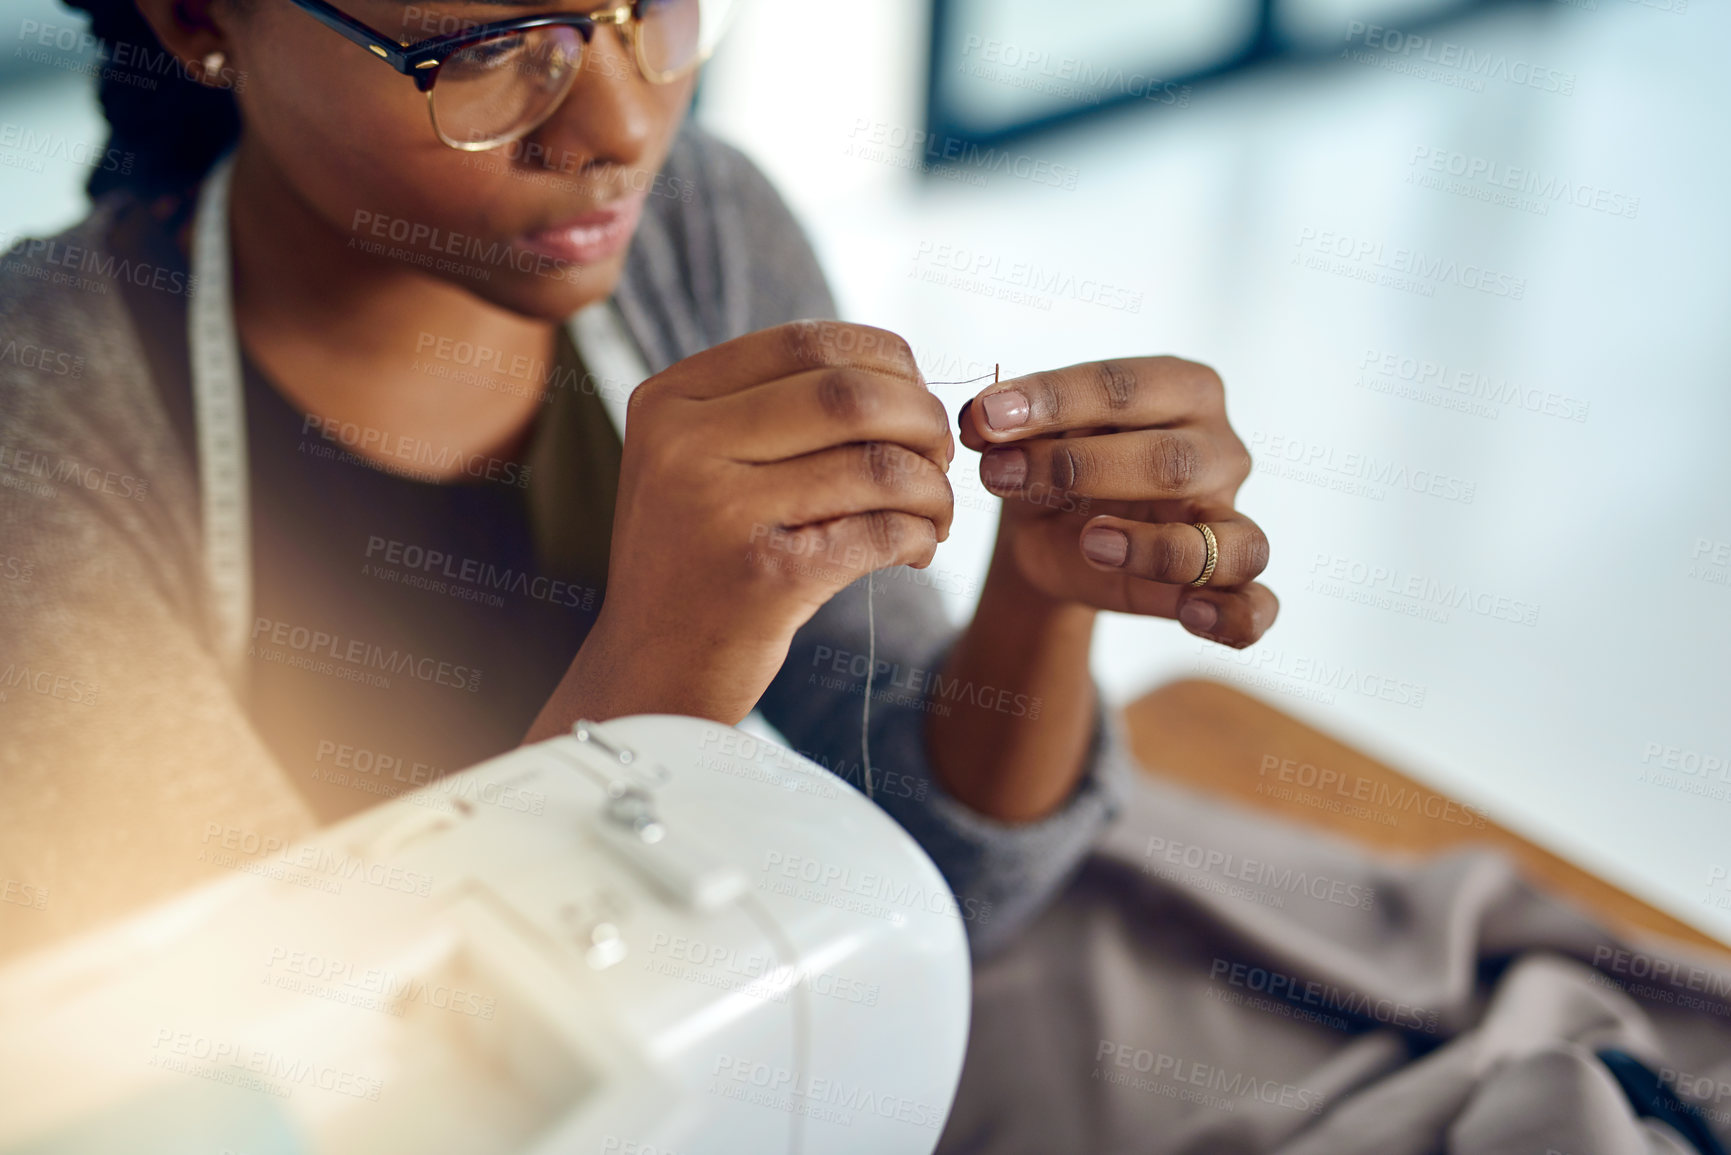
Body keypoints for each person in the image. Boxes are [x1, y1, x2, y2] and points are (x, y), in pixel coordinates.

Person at [0, 0, 1274, 963]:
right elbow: (295, 1085)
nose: (621, 129)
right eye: (492, 49)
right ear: (198, 20)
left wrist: (1042, 603)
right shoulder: (44, 429)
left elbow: (946, 881)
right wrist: (665, 665)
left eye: (647, 7)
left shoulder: (700, 232)